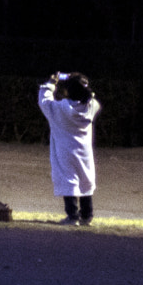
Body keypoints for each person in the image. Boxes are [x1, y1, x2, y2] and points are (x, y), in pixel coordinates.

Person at [39, 71, 99, 225]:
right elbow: (90, 97)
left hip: (65, 150)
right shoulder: (91, 107)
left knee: (68, 180)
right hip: (84, 151)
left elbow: (44, 101)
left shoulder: (59, 109)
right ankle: (87, 215)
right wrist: (81, 82)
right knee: (85, 179)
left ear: (68, 91)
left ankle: (72, 216)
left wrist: (51, 83)